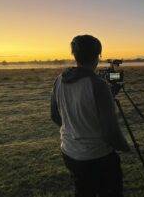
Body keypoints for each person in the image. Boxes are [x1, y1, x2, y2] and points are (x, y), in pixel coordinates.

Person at [51, 34, 130, 197]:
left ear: (75, 55)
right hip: (97, 157)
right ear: (97, 56)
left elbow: (54, 115)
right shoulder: (98, 84)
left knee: (83, 190)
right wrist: (126, 147)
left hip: (69, 153)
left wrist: (75, 131)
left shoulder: (59, 80)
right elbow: (111, 133)